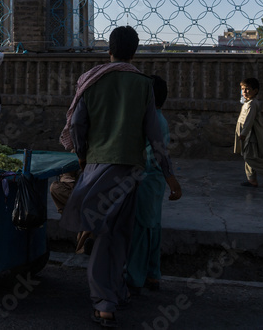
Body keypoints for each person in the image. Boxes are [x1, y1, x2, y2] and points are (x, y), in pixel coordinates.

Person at [60, 26, 182, 327]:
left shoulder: (91, 81)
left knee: (103, 234)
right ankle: (115, 293)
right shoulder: (143, 85)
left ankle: (104, 303)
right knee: (119, 235)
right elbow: (155, 136)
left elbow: (76, 124)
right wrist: (169, 175)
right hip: (131, 172)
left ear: (109, 49)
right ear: (135, 52)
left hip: (98, 166)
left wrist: (83, 155)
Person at [125, 74, 170, 294]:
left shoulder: (153, 121)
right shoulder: (158, 119)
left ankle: (134, 277)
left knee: (141, 230)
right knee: (152, 227)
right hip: (154, 181)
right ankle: (152, 274)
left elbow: (153, 156)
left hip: (147, 180)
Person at [236, 77, 263, 188]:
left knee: (250, 157)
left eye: (247, 89)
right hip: (246, 135)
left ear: (255, 91)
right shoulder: (247, 103)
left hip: (250, 136)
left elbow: (249, 121)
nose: (244, 91)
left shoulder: (252, 104)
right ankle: (252, 180)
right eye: (243, 89)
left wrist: (243, 133)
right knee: (248, 157)